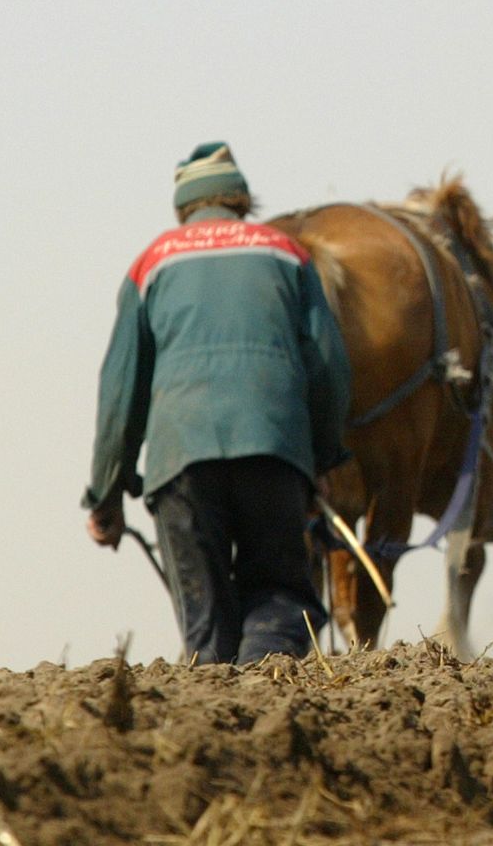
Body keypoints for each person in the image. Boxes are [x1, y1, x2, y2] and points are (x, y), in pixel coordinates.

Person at [84, 142, 352, 664]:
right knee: (279, 599)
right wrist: (323, 459)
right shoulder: (286, 253)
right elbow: (329, 367)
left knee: (205, 627)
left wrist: (106, 493)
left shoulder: (153, 263)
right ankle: (269, 698)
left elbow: (121, 390)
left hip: (180, 461)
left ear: (184, 206)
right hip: (273, 451)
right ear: (241, 201)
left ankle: (214, 721)